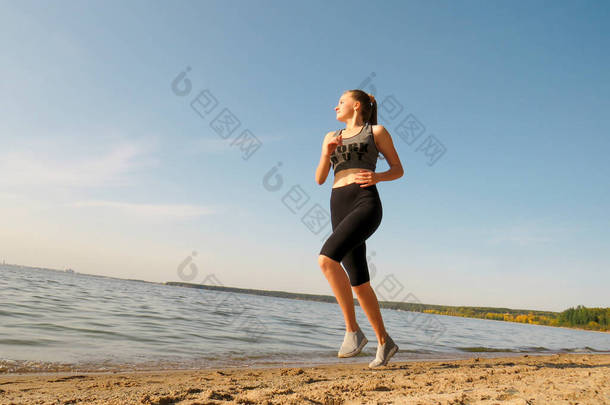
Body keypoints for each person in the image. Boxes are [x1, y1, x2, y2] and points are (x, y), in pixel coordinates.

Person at [315, 89, 404, 368]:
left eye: (340, 102)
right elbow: (320, 179)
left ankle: (353, 332)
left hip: (365, 203)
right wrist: (327, 153)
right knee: (359, 282)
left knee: (326, 260)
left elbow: (398, 168)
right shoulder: (330, 137)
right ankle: (384, 341)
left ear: (356, 105)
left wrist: (378, 175)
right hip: (337, 204)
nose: (335, 107)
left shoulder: (376, 132)